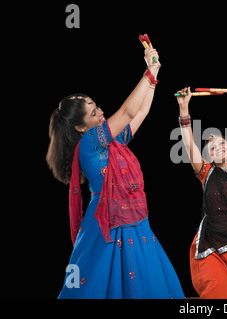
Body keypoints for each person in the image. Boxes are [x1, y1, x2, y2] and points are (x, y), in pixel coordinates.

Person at [46, 47, 184, 299]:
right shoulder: (88, 142)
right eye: (92, 111)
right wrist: (148, 73)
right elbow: (128, 111)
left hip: (134, 219)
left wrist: (153, 76)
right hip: (108, 223)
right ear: (79, 126)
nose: (99, 110)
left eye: (96, 106)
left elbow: (140, 112)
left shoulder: (113, 140)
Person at [176, 85, 227, 299]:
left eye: (222, 143)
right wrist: (184, 109)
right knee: (219, 294)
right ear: (210, 158)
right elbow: (189, 145)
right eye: (212, 148)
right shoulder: (207, 173)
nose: (218, 147)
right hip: (207, 248)